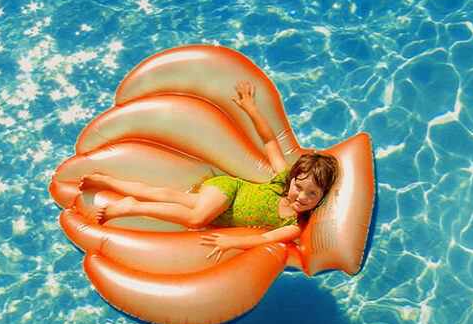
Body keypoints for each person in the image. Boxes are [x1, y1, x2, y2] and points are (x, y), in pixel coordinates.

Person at [79, 80, 339, 260]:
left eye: (312, 194)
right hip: (228, 190)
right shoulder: (282, 179)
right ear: (292, 180)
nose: (301, 197)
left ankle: (106, 180)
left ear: (322, 197)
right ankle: (131, 206)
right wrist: (251, 109)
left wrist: (233, 241)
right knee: (195, 219)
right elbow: (271, 141)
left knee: (165, 195)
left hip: (221, 212)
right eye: (299, 187)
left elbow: (266, 239)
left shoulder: (294, 224)